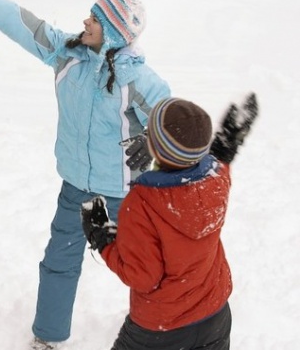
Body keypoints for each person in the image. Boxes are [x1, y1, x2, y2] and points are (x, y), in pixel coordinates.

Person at [0, 0, 171, 349]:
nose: (86, 21)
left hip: (123, 193)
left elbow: (175, 119)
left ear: (112, 33)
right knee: (58, 262)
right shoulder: (70, 55)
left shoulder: (139, 80)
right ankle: (48, 337)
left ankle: (161, 328)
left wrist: (153, 139)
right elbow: (28, 26)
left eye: (95, 19)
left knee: (146, 267)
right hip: (76, 187)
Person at [80, 94, 258, 350]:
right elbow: (218, 165)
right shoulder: (216, 181)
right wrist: (226, 143)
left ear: (155, 147)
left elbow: (143, 277)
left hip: (161, 328)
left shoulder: (142, 204)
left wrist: (102, 238)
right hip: (215, 315)